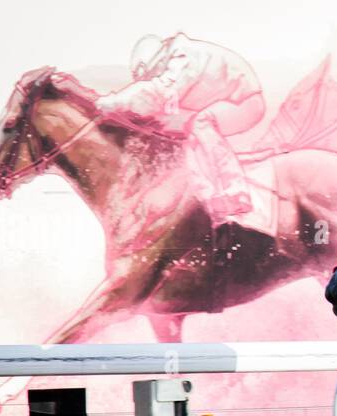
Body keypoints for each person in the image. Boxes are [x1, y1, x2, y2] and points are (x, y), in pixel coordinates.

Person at [97, 33, 268, 262]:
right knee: (187, 135)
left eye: (153, 74)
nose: (155, 77)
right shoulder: (175, 59)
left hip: (245, 102)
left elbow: (157, 92)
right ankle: (210, 203)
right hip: (224, 101)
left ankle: (236, 192)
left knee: (201, 123)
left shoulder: (181, 58)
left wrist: (111, 102)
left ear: (157, 63)